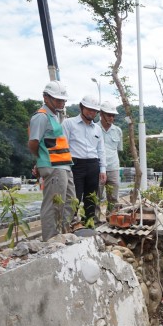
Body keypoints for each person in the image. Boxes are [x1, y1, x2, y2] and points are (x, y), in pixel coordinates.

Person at [27, 81, 76, 241]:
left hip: (63, 165)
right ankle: (51, 240)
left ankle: (63, 233)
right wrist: (40, 160)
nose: (61, 103)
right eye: (57, 99)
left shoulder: (54, 115)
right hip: (53, 166)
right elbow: (33, 142)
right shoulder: (41, 116)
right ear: (46, 97)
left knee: (70, 200)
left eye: (63, 100)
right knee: (53, 204)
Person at [62, 95, 106, 223]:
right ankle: (71, 224)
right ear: (81, 107)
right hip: (75, 164)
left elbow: (101, 149)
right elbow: (64, 145)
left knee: (91, 198)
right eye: (88, 109)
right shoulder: (68, 123)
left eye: (94, 111)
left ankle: (89, 224)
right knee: (74, 196)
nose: (91, 113)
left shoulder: (97, 129)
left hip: (93, 164)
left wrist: (102, 169)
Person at [97, 100, 122, 220]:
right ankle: (94, 221)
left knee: (113, 197)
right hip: (97, 168)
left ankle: (112, 220)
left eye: (113, 115)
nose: (111, 117)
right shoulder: (94, 128)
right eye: (109, 114)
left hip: (113, 168)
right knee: (95, 196)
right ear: (101, 114)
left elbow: (118, 149)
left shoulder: (118, 131)